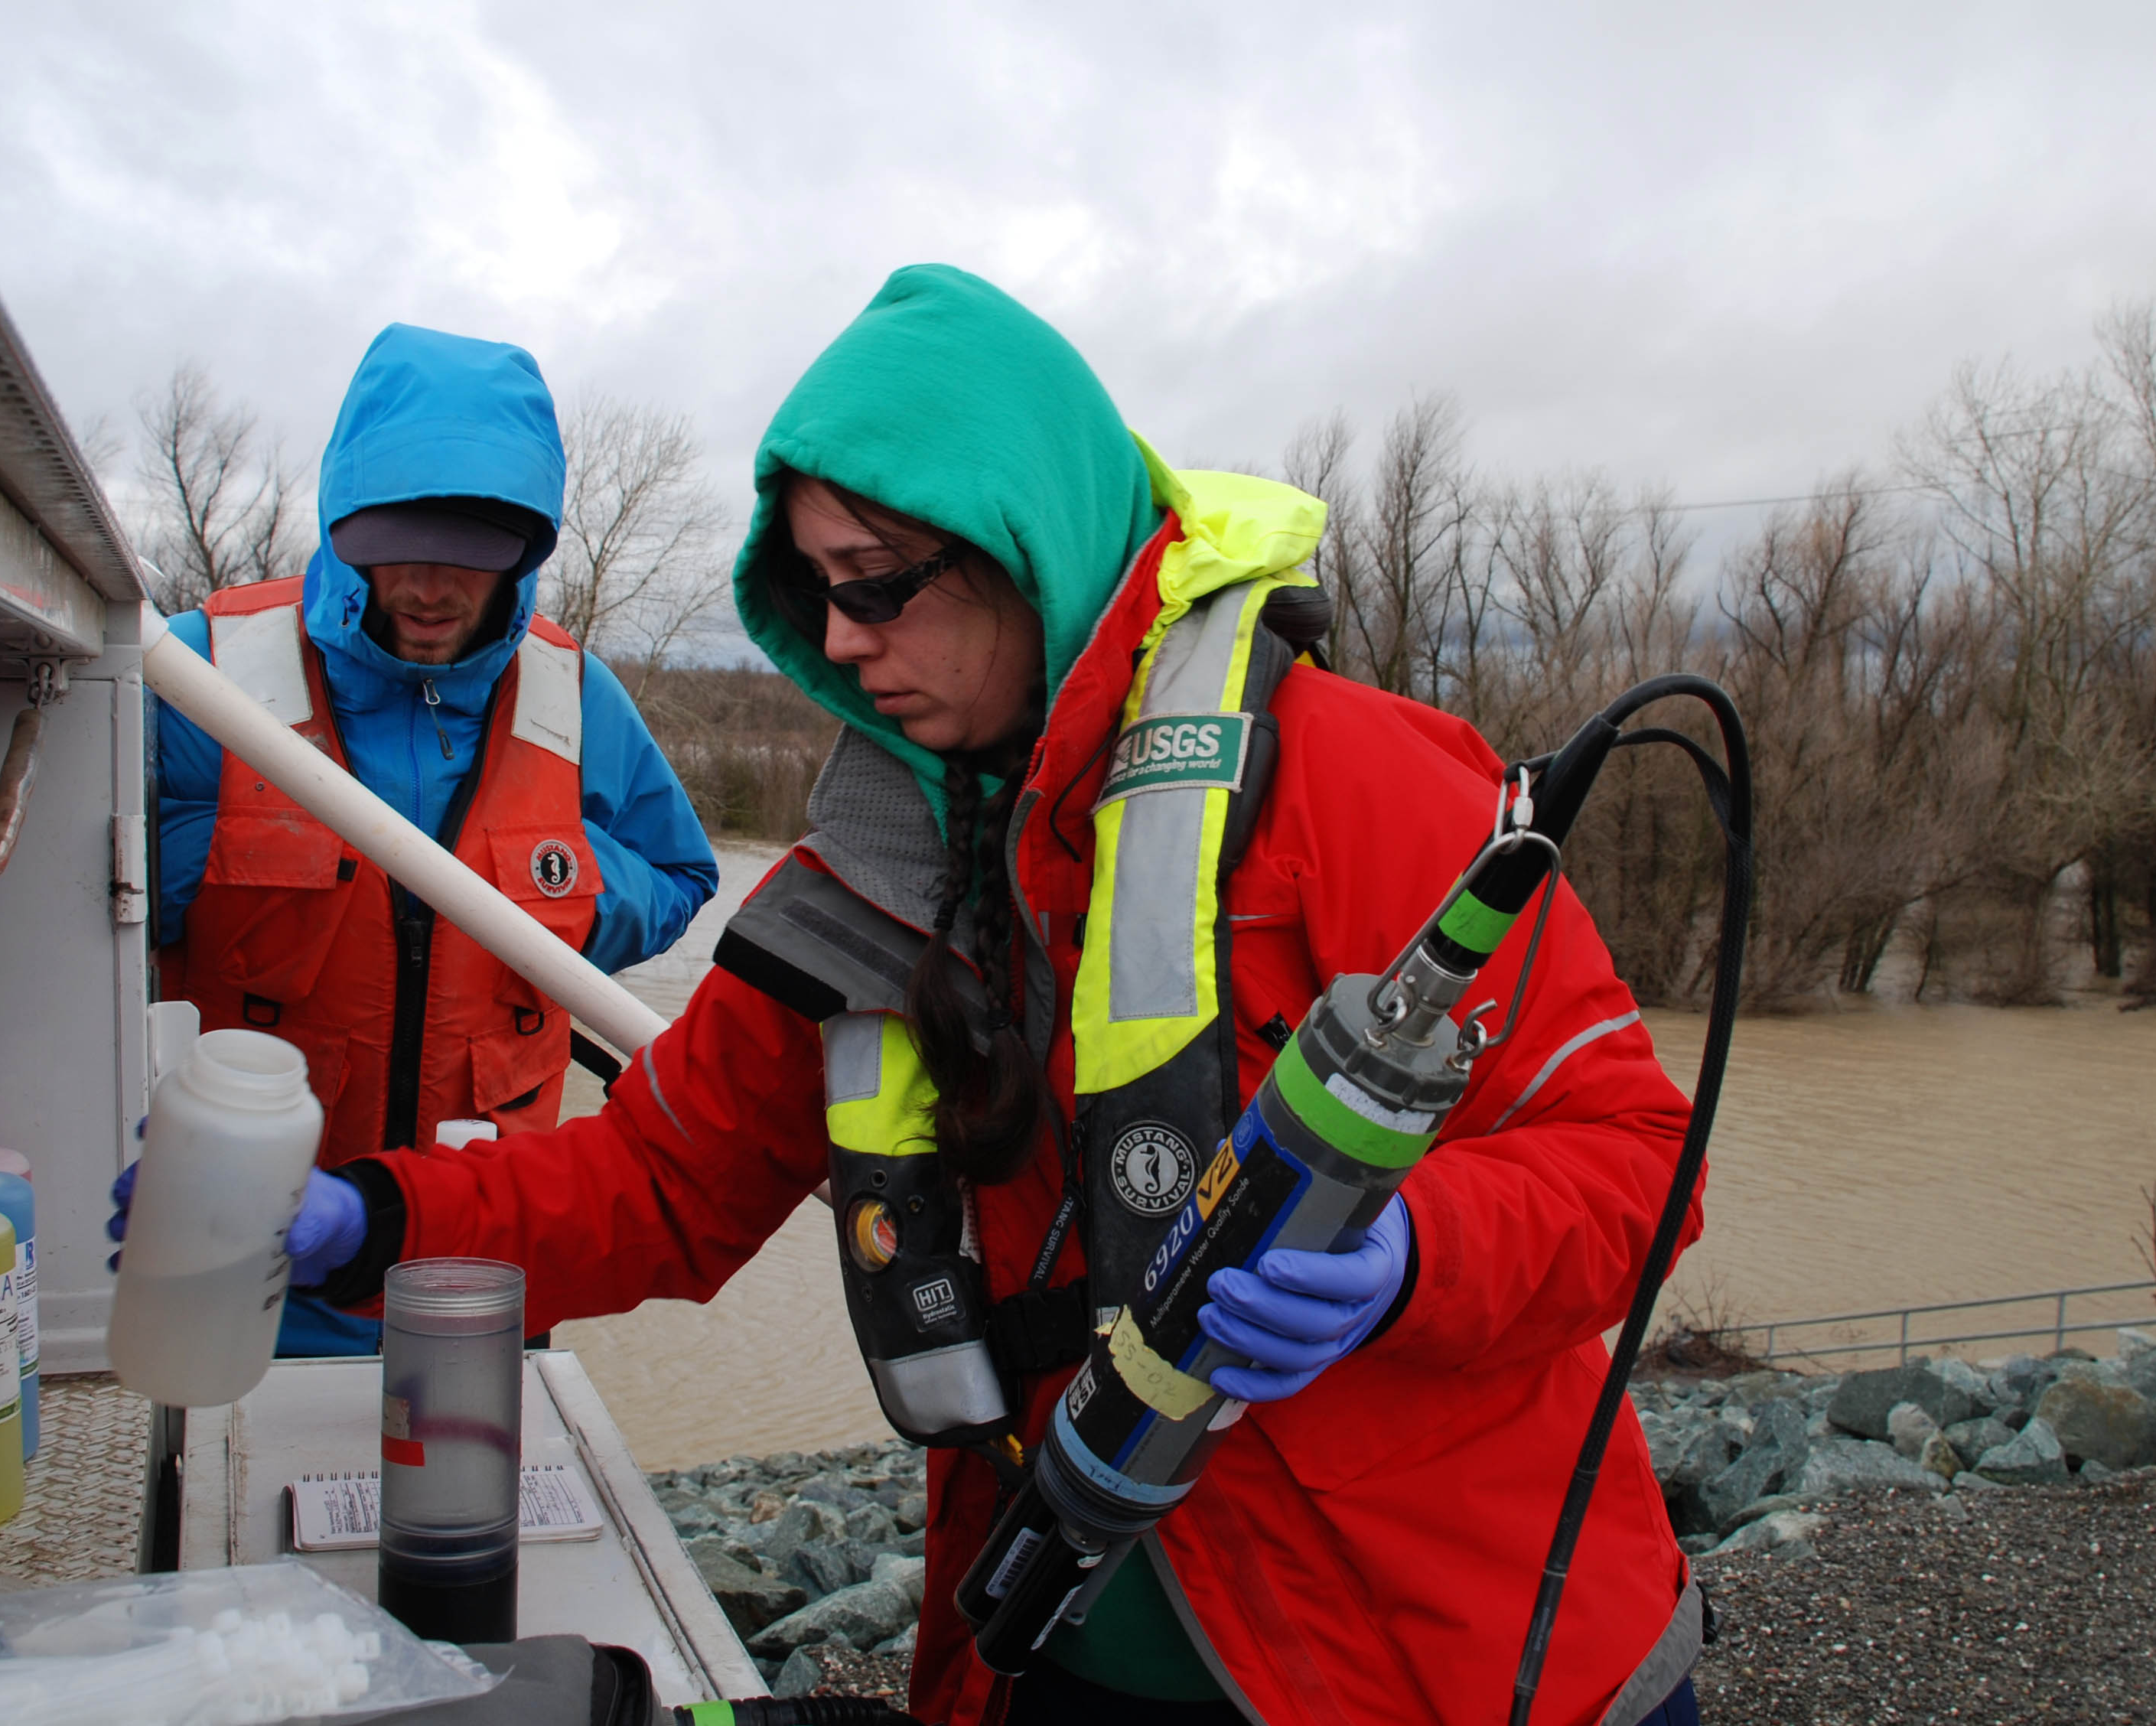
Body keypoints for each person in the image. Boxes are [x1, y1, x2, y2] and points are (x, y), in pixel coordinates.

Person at [225, 269, 1705, 1723]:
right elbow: (657, 1186)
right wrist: (379, 1219)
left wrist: (1411, 1257)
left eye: (877, 584)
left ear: (1028, 547)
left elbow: (1643, 1164)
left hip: (1459, 1663)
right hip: (1046, 1640)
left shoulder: (1360, 784)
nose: (845, 639)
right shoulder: (854, 888)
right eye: (816, 592)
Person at [149, 323, 719, 1355]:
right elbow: (74, 894)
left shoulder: (577, 695)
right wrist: (209, 862)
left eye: (468, 557)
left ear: (525, 548)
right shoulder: (197, 671)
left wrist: (552, 894)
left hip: (479, 1258)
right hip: (245, 1258)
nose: (427, 588)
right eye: (396, 545)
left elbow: (682, 872)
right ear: (343, 521)